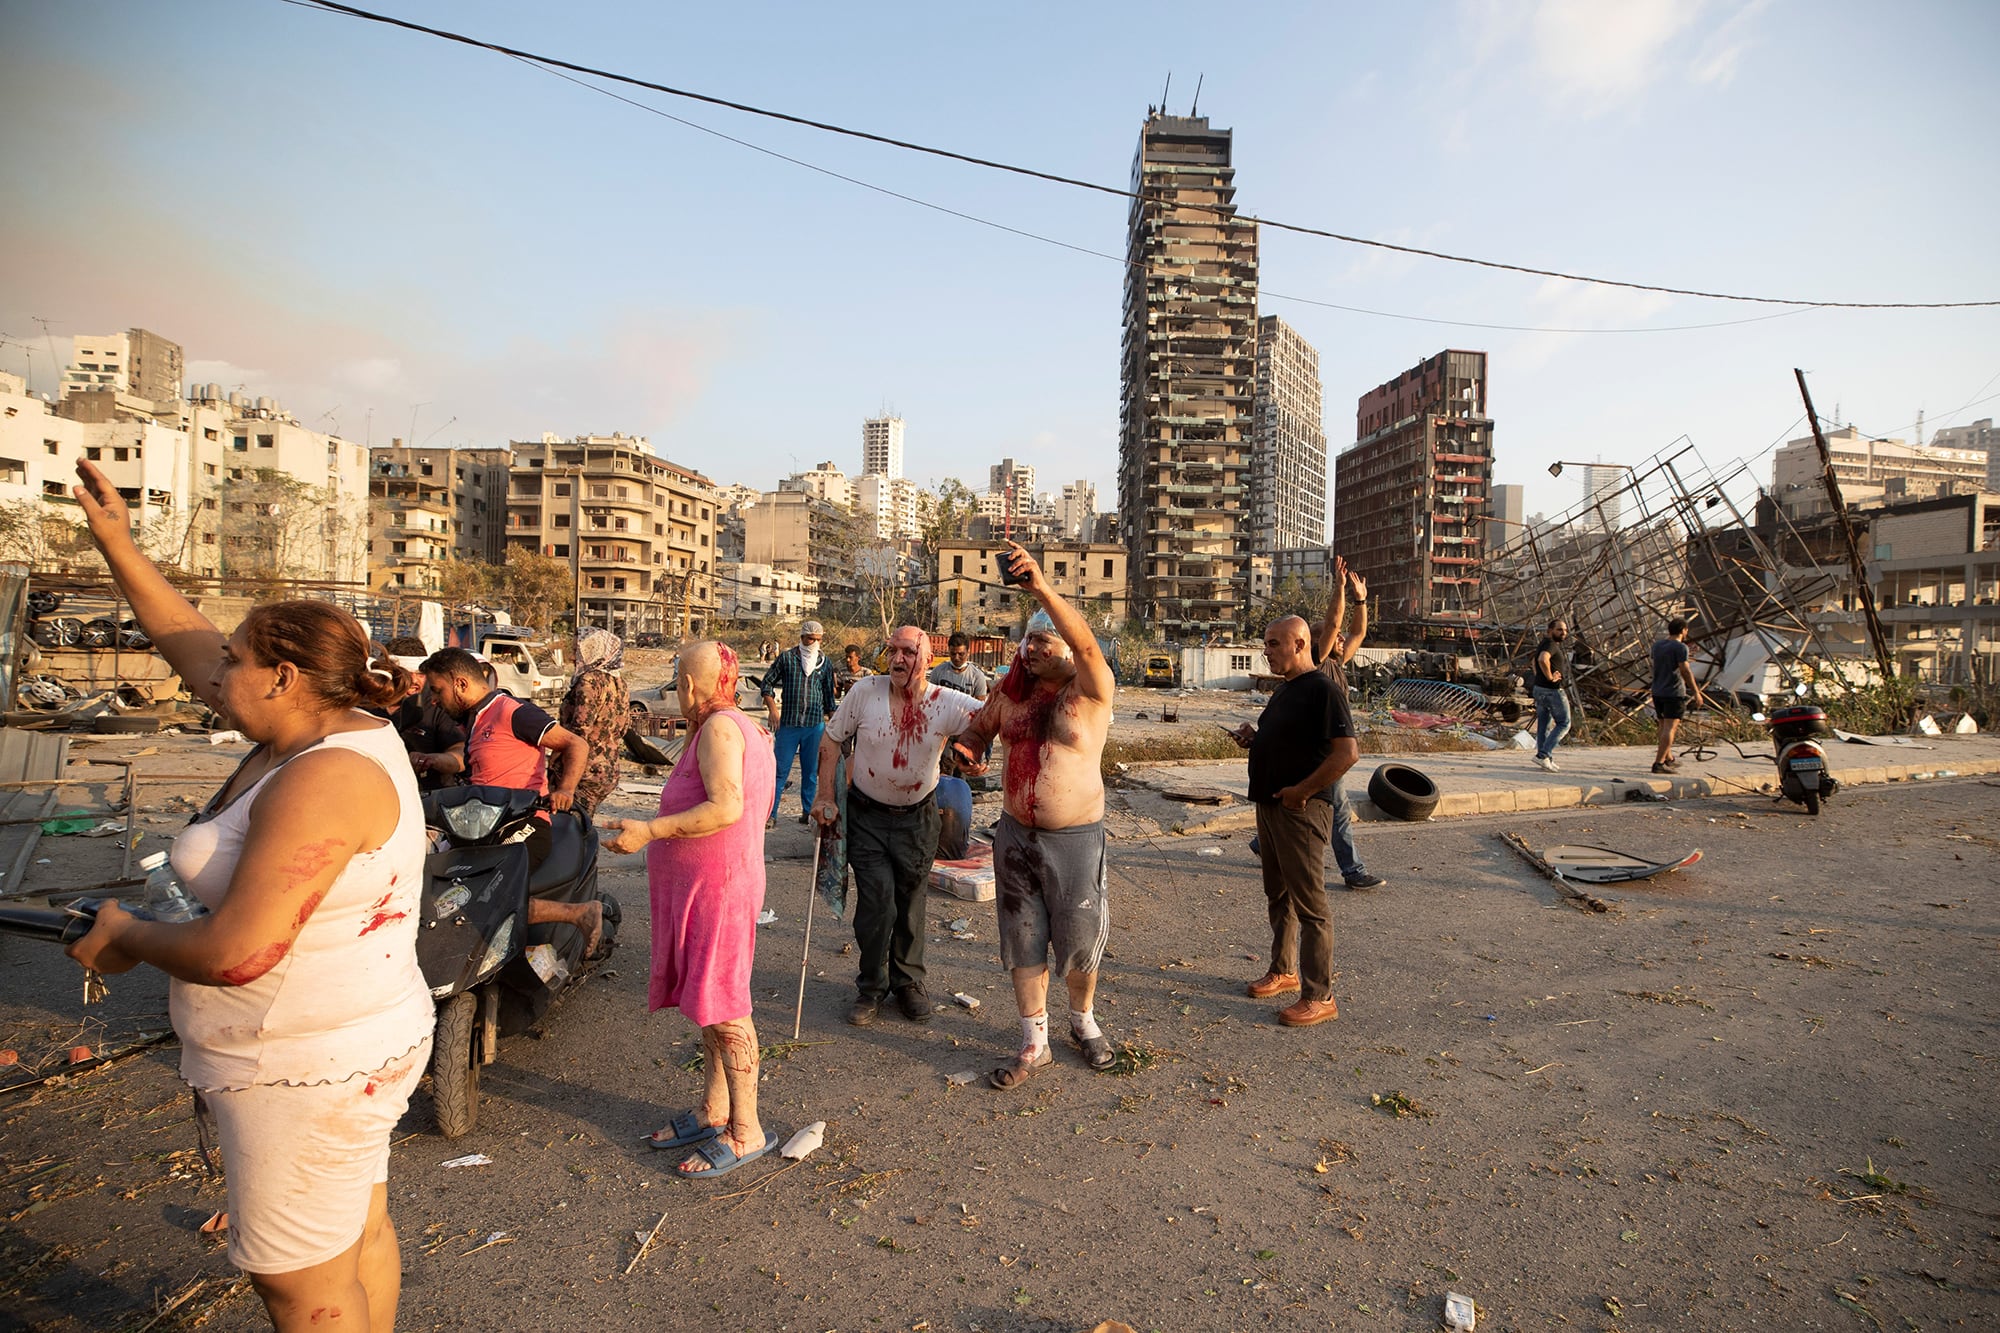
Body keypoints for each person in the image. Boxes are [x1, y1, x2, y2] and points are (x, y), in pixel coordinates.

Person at [61, 459, 432, 1329]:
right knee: (355, 1235)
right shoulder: (314, 726)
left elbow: (240, 951)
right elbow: (186, 637)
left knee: (298, 1283)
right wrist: (119, 542)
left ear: (285, 675)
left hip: (304, 1066)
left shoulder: (324, 775)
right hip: (338, 1046)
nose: (215, 672)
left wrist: (130, 932)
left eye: (236, 660)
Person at [601, 641, 778, 1179]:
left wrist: (650, 830)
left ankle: (745, 1130)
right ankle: (714, 1109)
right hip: (710, 888)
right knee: (710, 1001)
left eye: (678, 678)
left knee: (726, 1007)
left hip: (718, 890)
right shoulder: (732, 727)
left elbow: (727, 806)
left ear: (688, 685)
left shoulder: (722, 730)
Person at [956, 543, 1117, 1088]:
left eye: (1042, 641)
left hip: (1074, 839)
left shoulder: (1089, 689)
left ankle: (1083, 1022)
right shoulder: (1011, 691)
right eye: (1026, 640)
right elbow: (979, 727)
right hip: (1014, 835)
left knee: (1076, 937)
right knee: (1022, 937)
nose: (1029, 650)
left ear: (1067, 649)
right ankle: (1034, 1039)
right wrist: (971, 747)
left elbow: (1089, 644)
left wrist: (1042, 588)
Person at [815, 625, 986, 1026]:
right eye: (892, 651)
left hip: (918, 819)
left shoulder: (945, 701)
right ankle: (871, 986)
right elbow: (831, 741)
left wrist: (975, 753)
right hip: (867, 815)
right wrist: (825, 796)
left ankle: (908, 983)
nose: (897, 659)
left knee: (911, 903)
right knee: (877, 903)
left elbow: (990, 717)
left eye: (908, 652)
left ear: (928, 660)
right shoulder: (865, 692)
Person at [417, 647, 605, 953]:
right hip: (482, 828)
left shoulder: (511, 712)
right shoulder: (476, 721)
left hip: (524, 825)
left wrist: (565, 790)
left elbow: (575, 744)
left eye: (438, 690)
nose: (435, 700)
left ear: (460, 683)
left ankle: (580, 913)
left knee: (487, 893)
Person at [1230, 615, 1358, 1029]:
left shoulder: (1323, 689)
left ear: (1300, 644)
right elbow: (1291, 740)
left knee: (1311, 907)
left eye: (1273, 644)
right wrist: (1256, 737)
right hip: (1269, 806)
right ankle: (1282, 970)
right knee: (1278, 895)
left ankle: (1320, 995)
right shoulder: (1286, 691)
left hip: (1301, 810)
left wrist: (1302, 791)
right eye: (1266, 644)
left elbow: (1346, 755)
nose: (1266, 651)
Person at [1307, 557, 1385, 891]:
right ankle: (1353, 871)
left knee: (1304, 801)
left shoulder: (1339, 663)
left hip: (1324, 747)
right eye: (1333, 637)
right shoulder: (1317, 661)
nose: (1341, 640)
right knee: (1339, 810)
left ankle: (1264, 844)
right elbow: (1335, 623)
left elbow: (1358, 630)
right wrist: (1338, 588)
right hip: (1320, 749)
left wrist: (1361, 599)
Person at [760, 621, 837, 829]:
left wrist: (835, 727)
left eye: (818, 640)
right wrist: (773, 709)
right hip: (789, 724)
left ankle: (807, 812)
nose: (814, 643)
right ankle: (771, 814)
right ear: (802, 638)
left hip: (814, 725)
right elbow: (766, 684)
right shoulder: (787, 658)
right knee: (779, 771)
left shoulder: (824, 663)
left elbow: (829, 697)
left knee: (811, 772)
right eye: (811, 639)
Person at [552, 627, 629, 820]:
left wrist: (557, 753)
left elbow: (580, 728)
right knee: (583, 823)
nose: (573, 657)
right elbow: (624, 726)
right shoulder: (619, 684)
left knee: (569, 828)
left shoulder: (589, 681)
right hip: (608, 768)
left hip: (582, 769)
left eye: (578, 650)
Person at [1650, 618, 1703, 774]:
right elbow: (1685, 670)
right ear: (1684, 630)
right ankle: (1658, 763)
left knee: (1662, 726)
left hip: (1657, 691)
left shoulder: (1657, 646)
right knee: (1670, 728)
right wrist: (1696, 692)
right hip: (1673, 692)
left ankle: (1668, 758)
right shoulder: (1681, 648)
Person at [1531, 617, 1573, 773]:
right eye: (1559, 630)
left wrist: (1539, 677)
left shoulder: (1544, 644)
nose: (1563, 633)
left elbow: (1534, 662)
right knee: (1564, 723)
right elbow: (1542, 659)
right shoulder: (1551, 645)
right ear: (1550, 631)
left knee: (1544, 726)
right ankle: (1543, 755)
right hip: (1551, 690)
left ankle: (1545, 758)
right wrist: (1549, 677)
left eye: (1565, 630)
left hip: (1539, 689)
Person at [927, 632, 990, 700]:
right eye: (953, 654)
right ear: (949, 651)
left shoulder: (977, 676)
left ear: (968, 652)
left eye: (961, 654)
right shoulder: (938, 671)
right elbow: (930, 699)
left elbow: (980, 706)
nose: (956, 658)